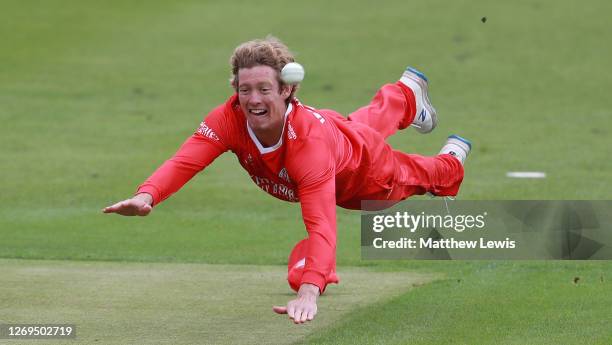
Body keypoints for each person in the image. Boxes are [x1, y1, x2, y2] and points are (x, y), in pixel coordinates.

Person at [103, 36, 471, 324]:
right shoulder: (228, 119)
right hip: (336, 133)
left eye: (264, 89)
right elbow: (185, 161)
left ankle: (452, 161)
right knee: (359, 124)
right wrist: (147, 195)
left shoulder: (306, 148)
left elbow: (322, 225)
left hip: (361, 174)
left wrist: (309, 292)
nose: (253, 99)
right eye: (244, 90)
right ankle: (406, 93)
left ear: (286, 90)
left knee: (417, 177)